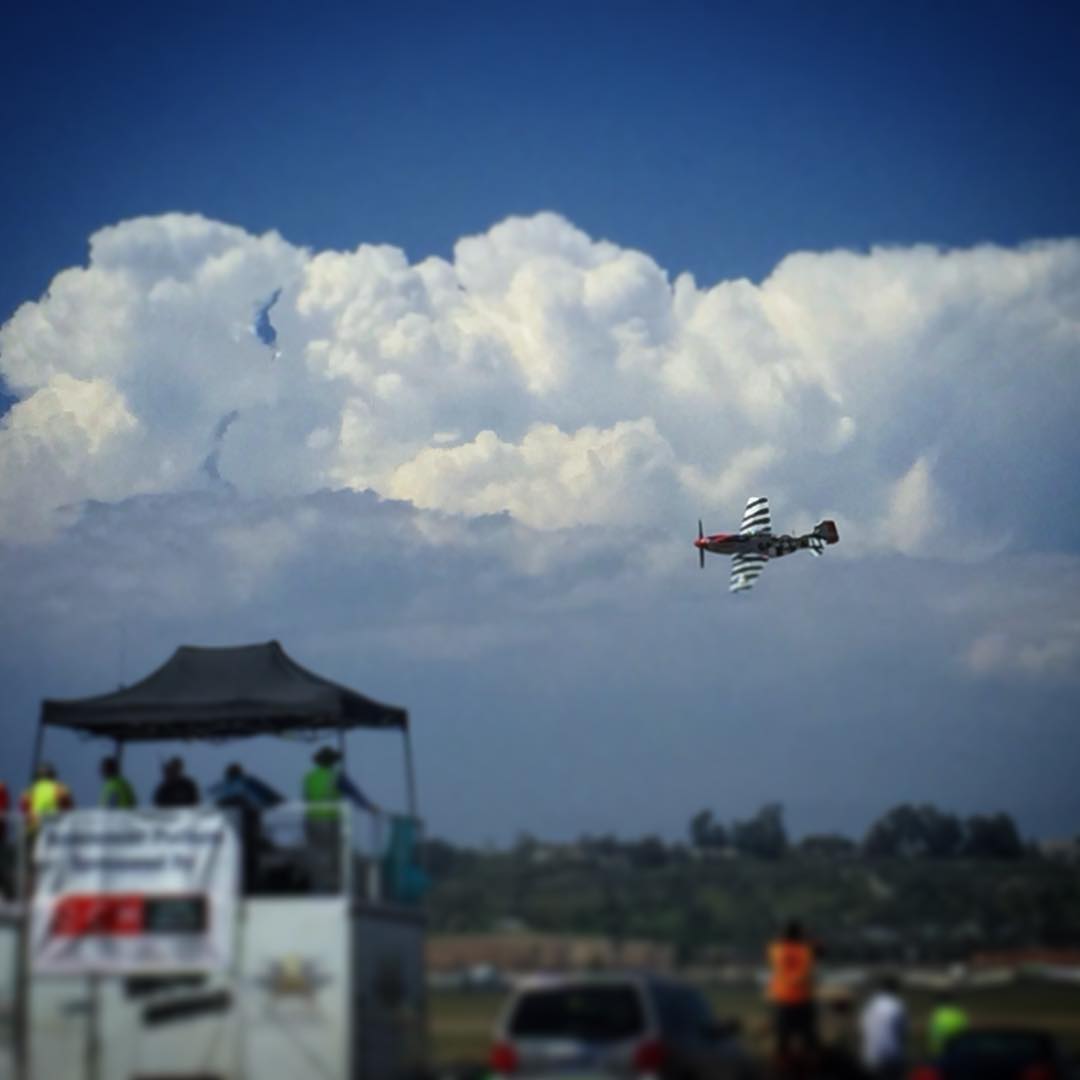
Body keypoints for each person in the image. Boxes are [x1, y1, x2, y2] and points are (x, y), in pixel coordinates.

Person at [302, 746, 380, 892]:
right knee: (336, 860)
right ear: (332, 762)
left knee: (317, 858)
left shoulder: (309, 777)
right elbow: (354, 794)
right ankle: (335, 888)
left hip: (312, 823)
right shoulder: (336, 776)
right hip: (331, 823)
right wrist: (369, 807)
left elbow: (306, 799)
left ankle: (317, 889)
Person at [211, 763, 282, 893]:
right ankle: (251, 891)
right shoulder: (249, 784)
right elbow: (276, 800)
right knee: (250, 865)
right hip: (249, 831)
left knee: (235, 865)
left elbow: (215, 808)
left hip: (233, 834)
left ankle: (239, 890)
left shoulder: (222, 788)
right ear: (241, 774)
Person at [767, 920, 819, 1068]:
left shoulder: (775, 949)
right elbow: (807, 969)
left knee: (782, 1040)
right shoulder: (804, 950)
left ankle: (781, 1070)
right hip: (802, 1000)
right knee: (808, 1039)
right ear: (798, 934)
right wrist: (809, 938)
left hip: (781, 1000)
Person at [859, 973, 907, 1079]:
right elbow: (902, 1032)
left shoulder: (871, 1004)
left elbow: (863, 1028)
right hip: (891, 1057)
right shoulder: (897, 1005)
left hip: (871, 1057)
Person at [19, 763, 75, 834]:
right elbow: (69, 807)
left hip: (35, 825)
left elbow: (23, 807)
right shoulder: (60, 788)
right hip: (54, 825)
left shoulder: (31, 790)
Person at [927, 989, 969, 1058]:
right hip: (959, 1051)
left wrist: (932, 1052)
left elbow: (933, 1036)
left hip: (941, 1052)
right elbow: (965, 1031)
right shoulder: (960, 1013)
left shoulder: (937, 1014)